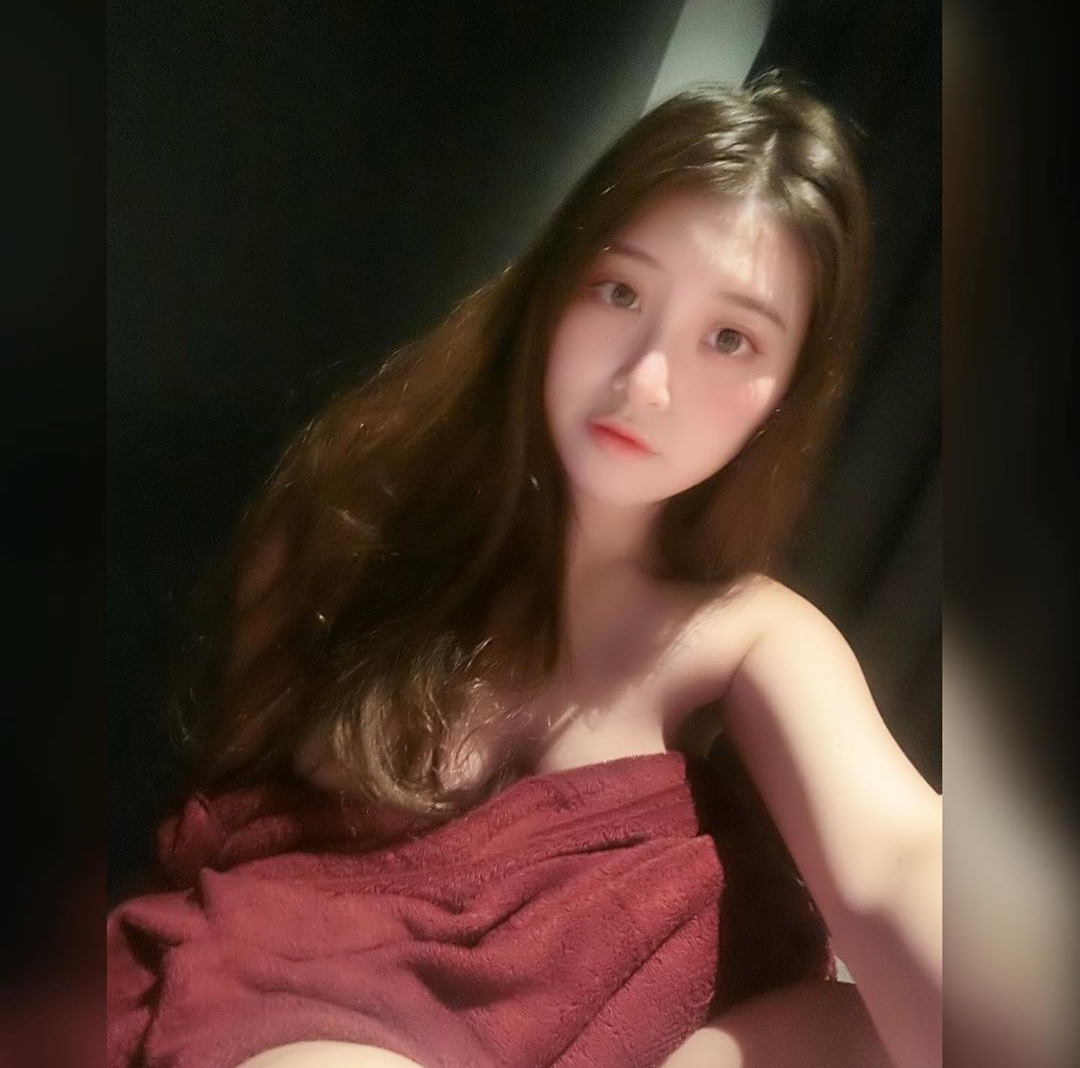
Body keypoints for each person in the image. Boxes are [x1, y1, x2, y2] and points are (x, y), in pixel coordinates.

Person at [109, 71, 941, 1068]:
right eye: (620, 291)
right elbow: (240, 823)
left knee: (865, 1033)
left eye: (730, 338)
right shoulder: (363, 511)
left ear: (786, 393)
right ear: (555, 284)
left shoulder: (750, 631)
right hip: (296, 1007)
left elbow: (898, 855)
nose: (647, 381)